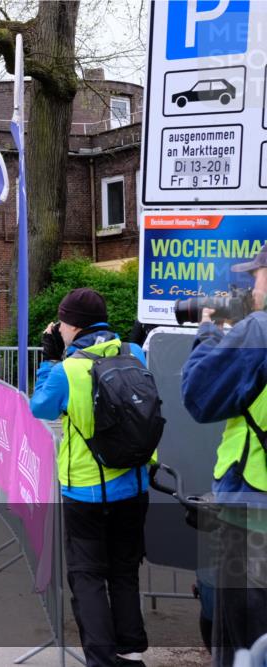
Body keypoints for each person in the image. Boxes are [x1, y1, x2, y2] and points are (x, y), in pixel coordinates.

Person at [29, 288, 153, 667]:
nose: (60, 329)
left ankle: (101, 658)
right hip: (134, 483)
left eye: (63, 323)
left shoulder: (68, 369)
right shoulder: (134, 353)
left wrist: (50, 359)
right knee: (124, 569)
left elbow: (40, 408)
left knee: (87, 575)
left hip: (86, 489)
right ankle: (130, 646)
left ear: (73, 325)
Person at [181, 244, 267, 667]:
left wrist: (210, 333)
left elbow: (200, 395)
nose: (252, 287)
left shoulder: (259, 333)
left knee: (244, 646)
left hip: (254, 519)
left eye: (257, 276)